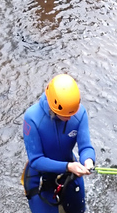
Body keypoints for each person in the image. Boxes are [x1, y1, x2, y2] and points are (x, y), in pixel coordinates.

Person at [22, 74, 96, 213]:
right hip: (40, 178)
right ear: (53, 108)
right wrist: (68, 166)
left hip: (69, 171)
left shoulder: (79, 113)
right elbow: (36, 160)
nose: (70, 118)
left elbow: (85, 146)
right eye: (66, 115)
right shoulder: (32, 118)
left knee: (78, 210)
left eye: (73, 112)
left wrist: (88, 161)